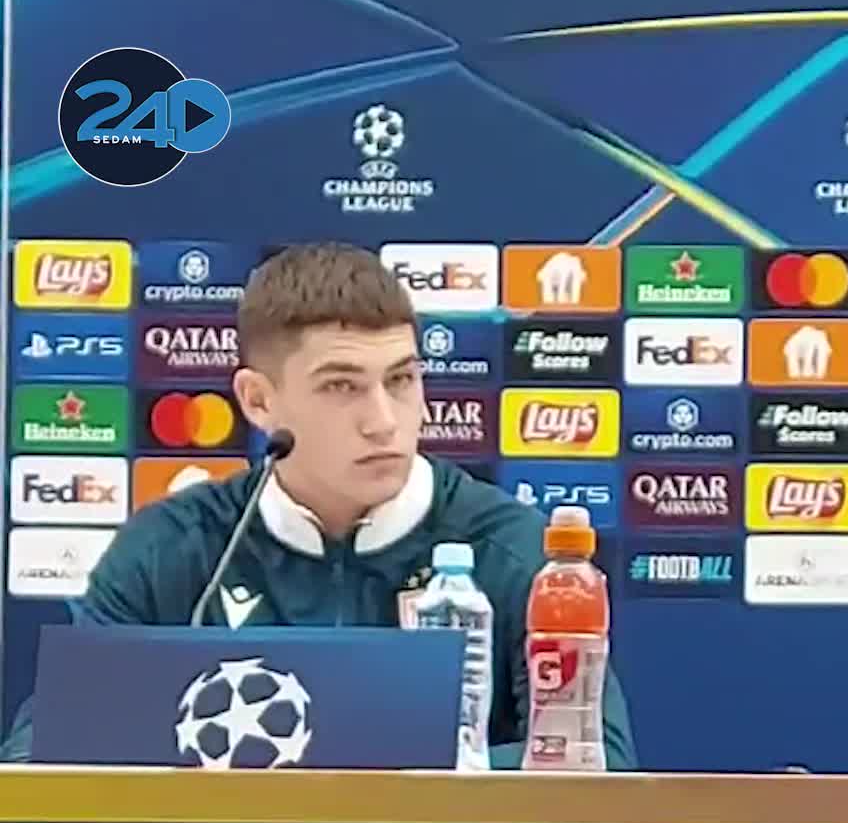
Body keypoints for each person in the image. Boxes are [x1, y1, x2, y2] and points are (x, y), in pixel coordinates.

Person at [0, 243, 636, 769]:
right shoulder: (174, 547)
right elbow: (42, 759)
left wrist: (389, 773)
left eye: (402, 379)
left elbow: (595, 761)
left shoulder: (513, 551)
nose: (384, 420)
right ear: (258, 401)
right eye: (341, 387)